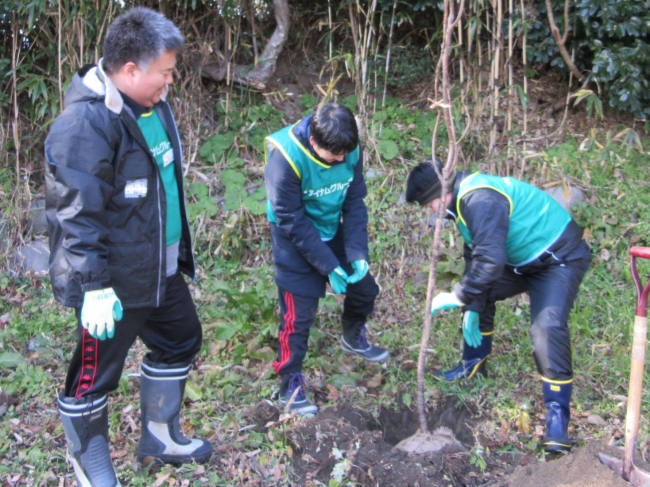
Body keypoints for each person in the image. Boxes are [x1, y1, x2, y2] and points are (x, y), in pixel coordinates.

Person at [44, 8, 212, 486]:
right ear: (131, 69)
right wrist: (94, 287)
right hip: (112, 284)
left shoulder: (152, 105)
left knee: (181, 339)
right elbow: (77, 214)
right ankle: (89, 463)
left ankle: (159, 436)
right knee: (91, 377)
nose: (171, 82)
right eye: (166, 72)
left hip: (158, 267)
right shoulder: (86, 125)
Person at [405, 160, 591, 453]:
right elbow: (476, 255)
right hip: (518, 262)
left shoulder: (479, 199)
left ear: (440, 191)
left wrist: (459, 296)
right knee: (478, 292)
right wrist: (473, 306)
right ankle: (473, 365)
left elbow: (490, 261)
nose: (430, 210)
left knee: (547, 328)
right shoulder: (463, 201)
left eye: (428, 203)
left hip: (558, 257)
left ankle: (557, 420)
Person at [264, 103, 389, 414]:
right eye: (335, 156)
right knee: (298, 317)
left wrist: (357, 252)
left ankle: (352, 335)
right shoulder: (286, 158)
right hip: (293, 238)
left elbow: (355, 201)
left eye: (346, 153)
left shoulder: (348, 148)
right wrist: (328, 265)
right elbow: (291, 218)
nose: (343, 160)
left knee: (365, 290)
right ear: (315, 143)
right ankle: (289, 384)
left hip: (332, 228)